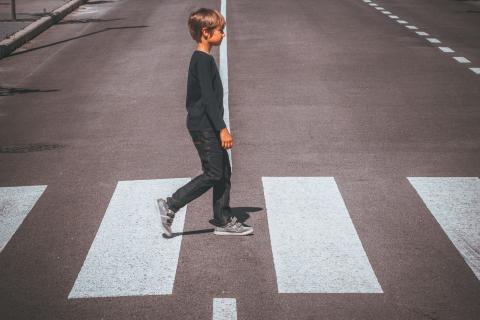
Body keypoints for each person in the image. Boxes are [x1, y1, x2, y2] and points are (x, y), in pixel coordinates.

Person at [155, 8, 253, 237]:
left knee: (224, 172)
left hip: (206, 124)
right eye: (221, 30)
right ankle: (172, 204)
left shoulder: (205, 59)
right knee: (213, 173)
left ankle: (222, 219)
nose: (224, 34)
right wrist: (222, 129)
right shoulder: (201, 60)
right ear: (206, 32)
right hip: (204, 126)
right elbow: (208, 100)